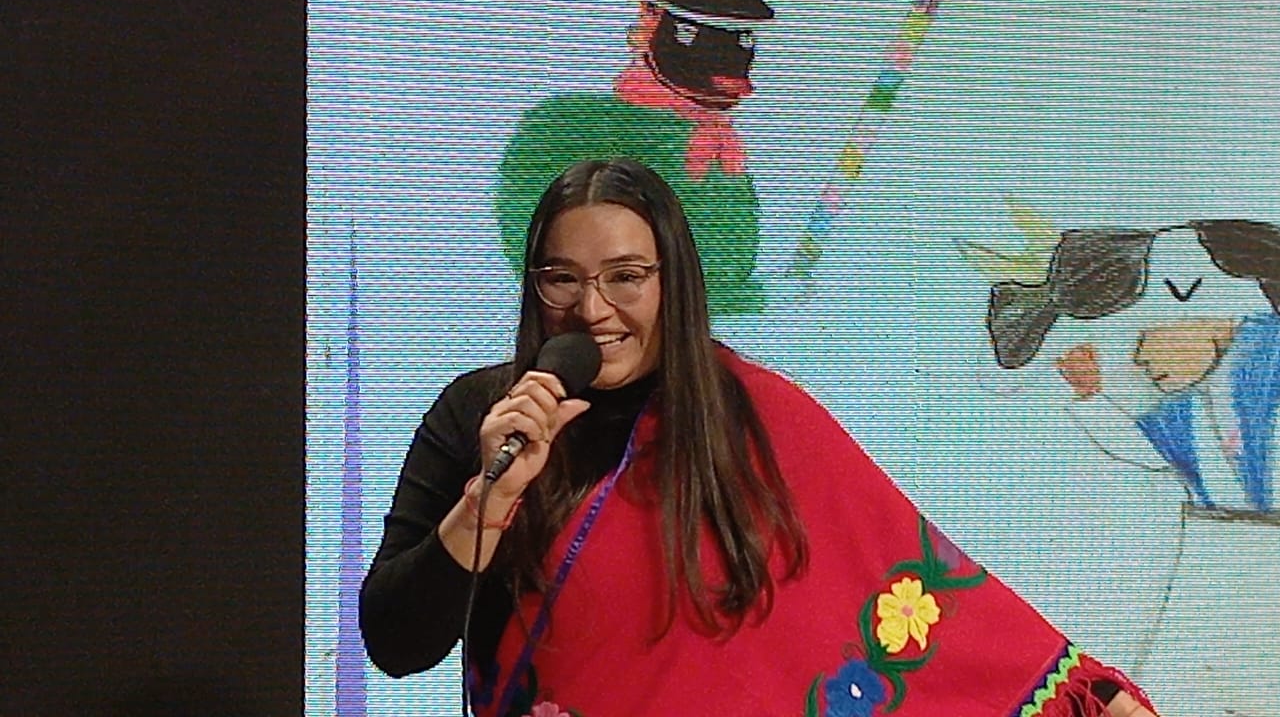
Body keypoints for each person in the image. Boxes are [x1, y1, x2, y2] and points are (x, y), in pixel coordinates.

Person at [360, 157, 1163, 717]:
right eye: (562, 278)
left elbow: (914, 592)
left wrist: (1084, 696)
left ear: (674, 281)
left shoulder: (754, 418)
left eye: (626, 277)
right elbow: (394, 644)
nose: (592, 308)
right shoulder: (480, 416)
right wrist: (486, 505)